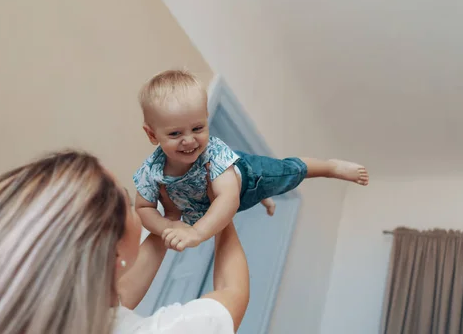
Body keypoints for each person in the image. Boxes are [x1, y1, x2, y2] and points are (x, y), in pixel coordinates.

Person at [0, 150, 249, 334]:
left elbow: (108, 303)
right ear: (114, 251)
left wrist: (168, 223)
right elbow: (232, 296)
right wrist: (216, 210)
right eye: (126, 201)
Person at [134, 69, 370, 252]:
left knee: (287, 170)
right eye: (175, 134)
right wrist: (168, 225)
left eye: (197, 128)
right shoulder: (151, 171)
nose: (189, 140)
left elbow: (228, 199)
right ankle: (264, 198)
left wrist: (197, 233)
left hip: (250, 178)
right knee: (242, 189)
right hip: (222, 193)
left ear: (207, 119)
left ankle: (330, 167)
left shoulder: (212, 153)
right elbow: (144, 207)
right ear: (152, 135)